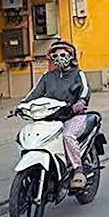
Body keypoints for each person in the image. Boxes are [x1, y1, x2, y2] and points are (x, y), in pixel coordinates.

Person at [20, 40, 91, 190]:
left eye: (63, 55)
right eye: (55, 55)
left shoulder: (78, 74)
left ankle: (77, 169)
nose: (59, 58)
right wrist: (22, 105)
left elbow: (85, 91)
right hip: (52, 116)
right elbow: (34, 93)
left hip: (73, 115)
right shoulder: (47, 76)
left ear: (71, 57)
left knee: (67, 136)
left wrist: (81, 102)